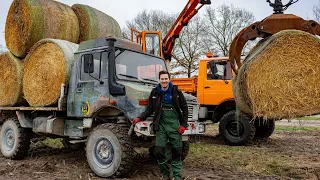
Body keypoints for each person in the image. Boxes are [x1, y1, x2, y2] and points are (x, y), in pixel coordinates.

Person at [133, 70, 188, 180]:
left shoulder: (176, 92)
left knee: (177, 152)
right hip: (161, 126)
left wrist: (183, 125)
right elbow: (150, 109)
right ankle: (166, 174)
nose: (164, 81)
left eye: (166, 79)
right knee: (158, 152)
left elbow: (185, 108)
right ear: (159, 80)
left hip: (174, 127)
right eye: (162, 79)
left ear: (169, 79)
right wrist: (139, 118)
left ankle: (177, 176)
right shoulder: (155, 92)